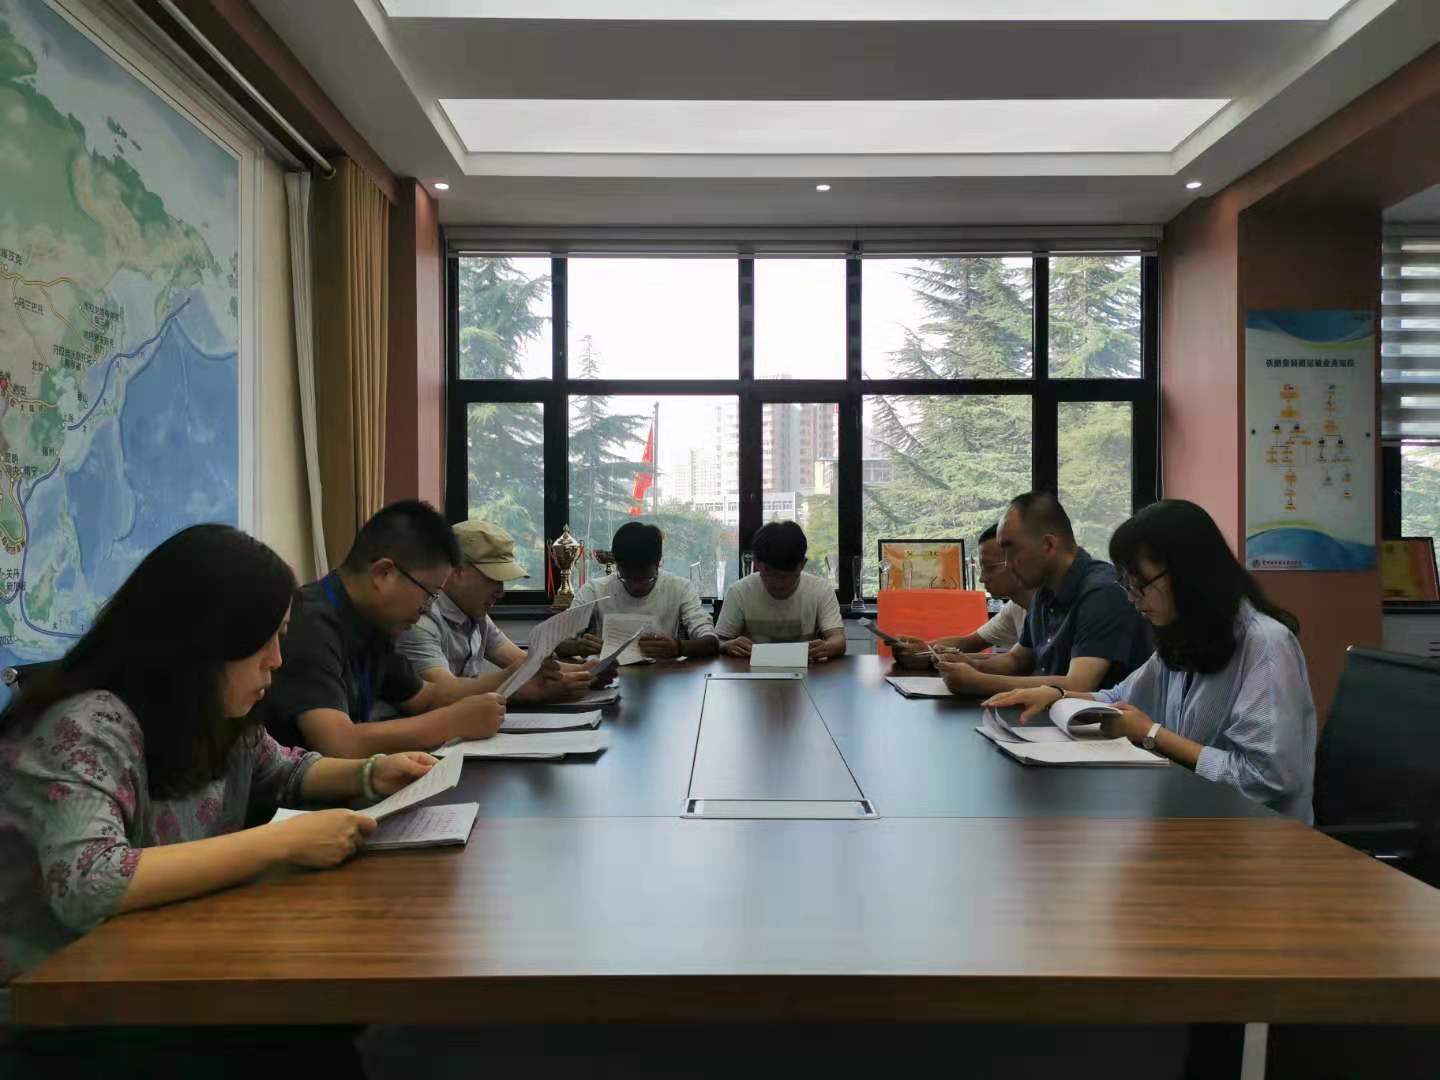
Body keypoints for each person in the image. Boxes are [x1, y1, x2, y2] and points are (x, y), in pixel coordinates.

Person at [0, 525, 438, 989]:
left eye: (281, 637)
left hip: (155, 963)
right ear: (203, 640)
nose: (277, 660)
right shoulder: (88, 727)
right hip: (50, 994)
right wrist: (281, 842)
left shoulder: (211, 713)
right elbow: (90, 882)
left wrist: (372, 772)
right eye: (262, 641)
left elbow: (284, 769)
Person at [984, 499, 1318, 822]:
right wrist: (1056, 695)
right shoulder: (1186, 634)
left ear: (1187, 573)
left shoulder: (1265, 645)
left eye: (1140, 584)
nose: (1132, 598)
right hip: (1193, 815)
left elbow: (1265, 778)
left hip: (1258, 837)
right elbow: (1119, 697)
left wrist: (1153, 734)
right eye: (1126, 584)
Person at [264, 500, 506, 757]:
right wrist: (452, 722)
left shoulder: (373, 621)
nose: (427, 609)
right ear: (384, 573)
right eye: (429, 594)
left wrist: (513, 680)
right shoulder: (309, 624)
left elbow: (425, 697)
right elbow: (338, 742)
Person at [937, 492, 1150, 697]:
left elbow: (1079, 685)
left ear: (1048, 545)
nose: (1008, 564)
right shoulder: (1044, 590)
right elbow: (1017, 659)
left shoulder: (1102, 592)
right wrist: (970, 664)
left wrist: (979, 682)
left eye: (1012, 550)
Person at [397, 520, 597, 703]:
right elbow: (442, 692)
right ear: (457, 571)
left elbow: (519, 660)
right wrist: (523, 687)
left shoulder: (474, 612)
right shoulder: (418, 621)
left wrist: (587, 672)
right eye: (493, 578)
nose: (500, 591)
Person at [557, 521, 720, 661]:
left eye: (645, 579)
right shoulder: (595, 590)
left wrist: (679, 647)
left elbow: (711, 642)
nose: (636, 586)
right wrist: (578, 647)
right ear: (617, 566)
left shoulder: (679, 588)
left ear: (658, 564)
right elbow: (554, 643)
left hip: (662, 677)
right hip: (609, 676)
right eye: (627, 578)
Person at [892, 521, 1035, 670]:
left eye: (990, 567)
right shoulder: (1016, 607)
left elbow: (1023, 665)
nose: (982, 579)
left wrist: (971, 671)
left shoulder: (1047, 609)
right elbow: (973, 643)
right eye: (982, 569)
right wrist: (924, 650)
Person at [716, 520, 845, 662]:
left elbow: (838, 639)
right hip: (752, 671)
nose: (779, 584)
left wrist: (828, 646)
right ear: (756, 564)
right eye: (770, 575)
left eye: (787, 577)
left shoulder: (820, 590)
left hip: (806, 670)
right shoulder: (739, 592)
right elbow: (719, 641)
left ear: (802, 564)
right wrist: (726, 645)